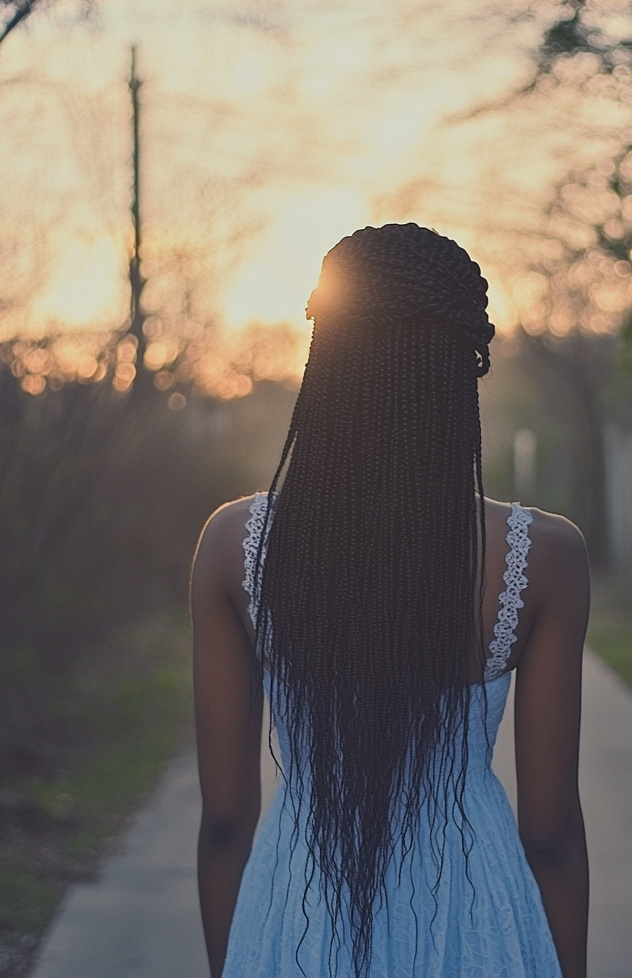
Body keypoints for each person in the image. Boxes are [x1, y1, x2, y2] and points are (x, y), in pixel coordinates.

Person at [191, 223, 590, 978]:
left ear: (324, 360)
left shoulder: (232, 548)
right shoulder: (544, 559)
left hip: (297, 918)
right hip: (477, 920)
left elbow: (224, 822)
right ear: (461, 372)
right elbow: (551, 836)